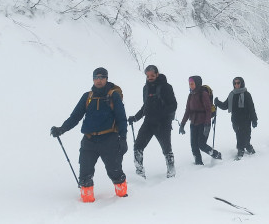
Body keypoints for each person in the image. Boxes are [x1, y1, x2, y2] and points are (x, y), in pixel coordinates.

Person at [50, 67, 128, 203]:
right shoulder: (88, 96)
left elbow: (121, 118)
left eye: (101, 77)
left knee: (114, 171)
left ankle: (123, 199)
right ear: (93, 79)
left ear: (106, 79)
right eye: (96, 77)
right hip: (89, 140)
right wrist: (62, 129)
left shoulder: (113, 95)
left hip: (109, 139)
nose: (99, 80)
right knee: (85, 173)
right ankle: (86, 204)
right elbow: (75, 116)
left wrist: (123, 138)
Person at [127, 64, 178, 179]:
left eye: (152, 75)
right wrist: (135, 118)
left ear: (157, 74)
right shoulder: (146, 88)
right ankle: (139, 173)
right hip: (148, 122)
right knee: (138, 146)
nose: (150, 77)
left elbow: (173, 105)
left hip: (163, 123)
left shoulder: (166, 87)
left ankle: (171, 171)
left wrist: (161, 113)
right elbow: (146, 106)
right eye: (148, 75)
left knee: (166, 149)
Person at [179, 76, 221, 165]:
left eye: (192, 84)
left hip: (203, 123)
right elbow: (187, 111)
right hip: (193, 123)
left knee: (201, 144)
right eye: (189, 84)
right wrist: (182, 124)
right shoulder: (190, 95)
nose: (190, 86)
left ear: (197, 83)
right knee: (194, 145)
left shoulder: (203, 93)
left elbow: (208, 110)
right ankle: (198, 163)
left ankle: (217, 155)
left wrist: (207, 125)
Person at [215, 76, 258, 159]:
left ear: (242, 83)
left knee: (246, 135)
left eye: (238, 83)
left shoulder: (247, 94)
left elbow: (251, 108)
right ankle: (241, 150)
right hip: (235, 120)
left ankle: (248, 147)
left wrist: (254, 120)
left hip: (246, 119)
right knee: (239, 135)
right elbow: (225, 106)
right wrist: (218, 102)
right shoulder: (232, 94)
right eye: (235, 83)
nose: (236, 85)